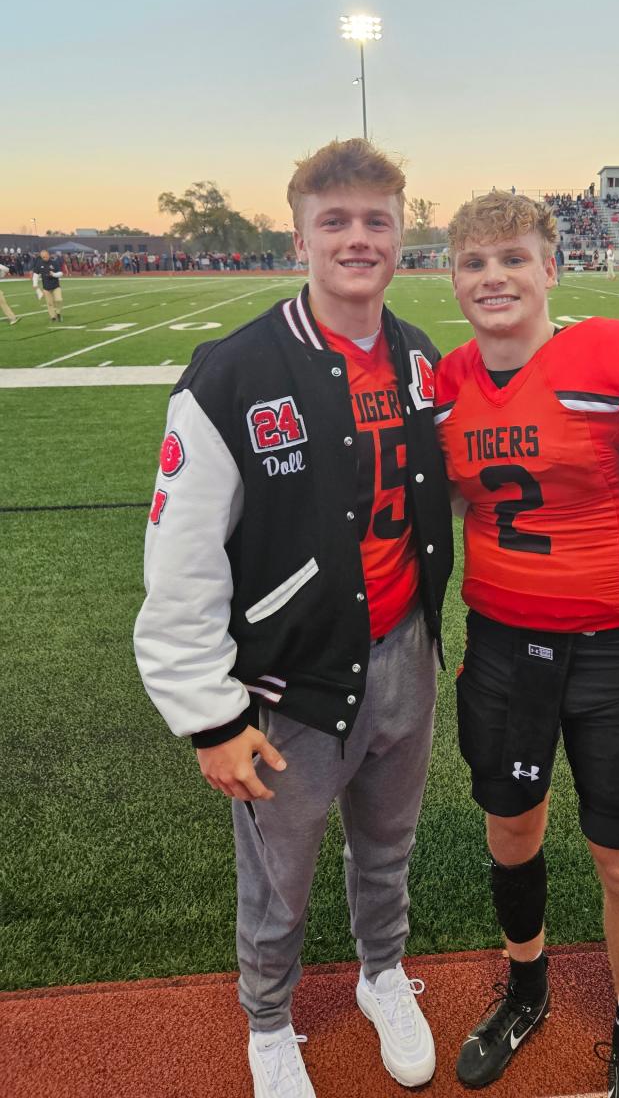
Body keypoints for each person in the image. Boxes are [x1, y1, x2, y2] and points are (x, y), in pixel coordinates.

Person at [134, 138, 454, 1098]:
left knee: (388, 849)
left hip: (404, 652)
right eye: (336, 221)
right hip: (293, 682)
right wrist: (211, 716)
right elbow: (180, 565)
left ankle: (381, 974)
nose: (359, 239)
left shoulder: (419, 359)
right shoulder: (232, 376)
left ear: (402, 235)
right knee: (280, 877)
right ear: (301, 234)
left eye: (377, 221)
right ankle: (269, 1021)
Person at [435, 192, 619, 1097]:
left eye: (513, 259)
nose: (494, 278)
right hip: (497, 646)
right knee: (511, 831)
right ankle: (526, 986)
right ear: (452, 278)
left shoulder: (610, 364)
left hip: (607, 652)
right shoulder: (446, 384)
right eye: (474, 263)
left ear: (551, 269)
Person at [32, 249, 64, 321]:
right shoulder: (39, 264)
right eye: (43, 257)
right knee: (49, 303)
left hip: (56, 286)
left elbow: (61, 273)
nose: (45, 258)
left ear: (48, 255)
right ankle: (53, 317)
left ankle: (58, 313)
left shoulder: (54, 262)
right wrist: (35, 284)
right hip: (46, 287)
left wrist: (54, 274)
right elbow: (35, 275)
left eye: (46, 256)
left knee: (59, 300)